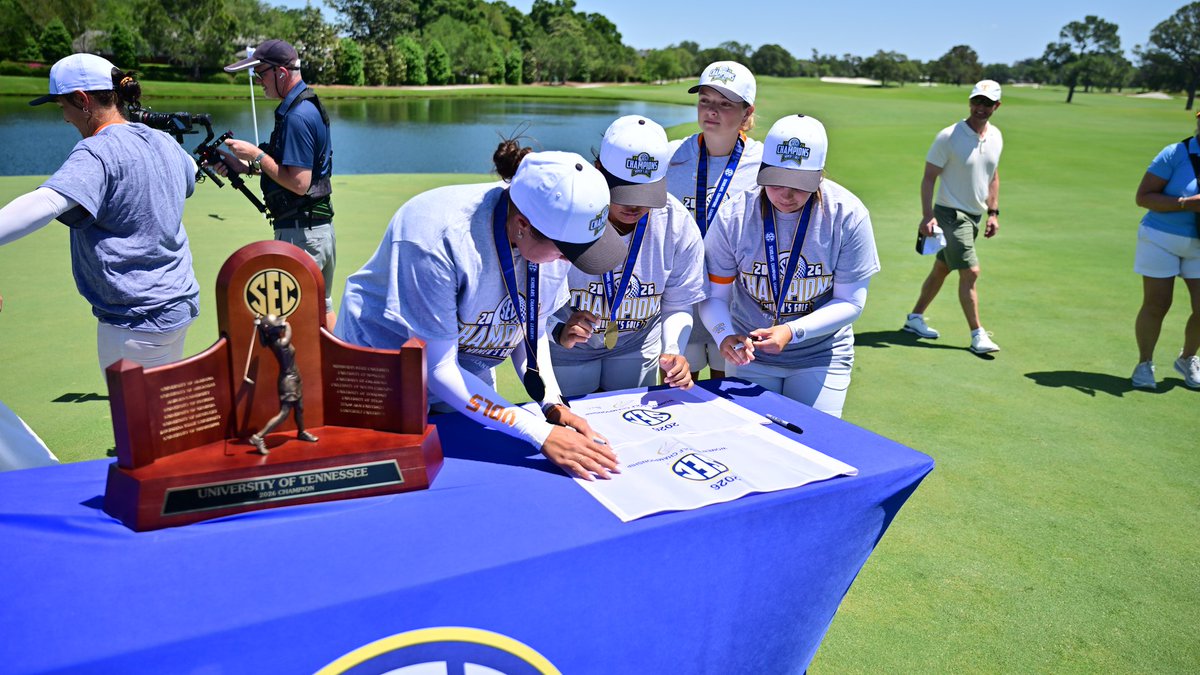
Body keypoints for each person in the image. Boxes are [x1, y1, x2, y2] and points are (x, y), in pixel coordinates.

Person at [335, 146, 628, 480]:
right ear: (522, 224)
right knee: (392, 484)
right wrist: (539, 432)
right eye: (565, 252)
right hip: (381, 376)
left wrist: (552, 403)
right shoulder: (437, 237)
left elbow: (528, 325)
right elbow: (441, 369)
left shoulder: (551, 236)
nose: (568, 262)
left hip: (467, 369)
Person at [0, 53, 199, 372]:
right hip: (178, 304)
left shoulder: (96, 151)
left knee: (136, 421)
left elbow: (47, 203)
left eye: (61, 106)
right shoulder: (162, 140)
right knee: (159, 415)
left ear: (82, 100)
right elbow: (190, 170)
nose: (64, 117)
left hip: (136, 320)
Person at [699, 114, 879, 418]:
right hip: (749, 354)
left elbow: (851, 302)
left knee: (814, 443)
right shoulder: (734, 215)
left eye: (799, 184)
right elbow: (715, 296)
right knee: (749, 447)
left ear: (819, 175)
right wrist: (724, 335)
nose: (786, 194)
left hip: (820, 353)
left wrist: (792, 331)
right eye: (776, 181)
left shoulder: (847, 215)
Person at [549, 115, 705, 396]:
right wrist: (557, 329)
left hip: (637, 343)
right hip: (568, 347)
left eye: (645, 193)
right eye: (623, 191)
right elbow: (531, 298)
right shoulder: (566, 215)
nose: (634, 205)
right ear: (598, 170)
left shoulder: (677, 222)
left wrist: (672, 350)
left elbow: (678, 303)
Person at [218, 39, 337, 328]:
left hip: (301, 235)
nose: (259, 80)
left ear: (281, 73)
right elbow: (289, 168)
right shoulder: (304, 105)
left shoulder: (297, 116)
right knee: (322, 309)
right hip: (315, 230)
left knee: (289, 320)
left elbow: (298, 183)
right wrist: (243, 165)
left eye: (261, 73)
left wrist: (257, 154)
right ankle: (337, 369)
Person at [666, 60, 764, 381]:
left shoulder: (764, 163)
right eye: (705, 100)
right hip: (680, 304)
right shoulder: (670, 156)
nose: (712, 110)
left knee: (726, 400)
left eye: (724, 104)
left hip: (735, 306)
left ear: (747, 113)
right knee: (678, 394)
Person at [903, 79, 1004, 355]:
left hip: (974, 216)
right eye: (976, 101)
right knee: (970, 272)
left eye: (986, 103)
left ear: (997, 106)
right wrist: (927, 216)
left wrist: (993, 212)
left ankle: (914, 318)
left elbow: (992, 176)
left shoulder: (995, 136)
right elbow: (928, 178)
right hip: (950, 214)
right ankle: (977, 335)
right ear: (970, 102)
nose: (980, 108)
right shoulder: (949, 136)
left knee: (941, 269)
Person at [1129, 111, 1200, 390]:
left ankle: (1188, 358)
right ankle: (1145, 363)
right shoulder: (1175, 153)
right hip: (1160, 237)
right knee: (1158, 304)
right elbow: (1143, 197)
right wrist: (1185, 203)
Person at [248, 314, 319, 453]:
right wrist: (283, 324)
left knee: (299, 408)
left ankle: (302, 432)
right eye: (277, 326)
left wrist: (259, 328)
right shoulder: (281, 344)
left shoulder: (270, 341)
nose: (281, 325)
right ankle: (259, 437)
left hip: (294, 378)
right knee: (284, 413)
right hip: (288, 382)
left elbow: (262, 341)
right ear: (273, 330)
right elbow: (288, 327)